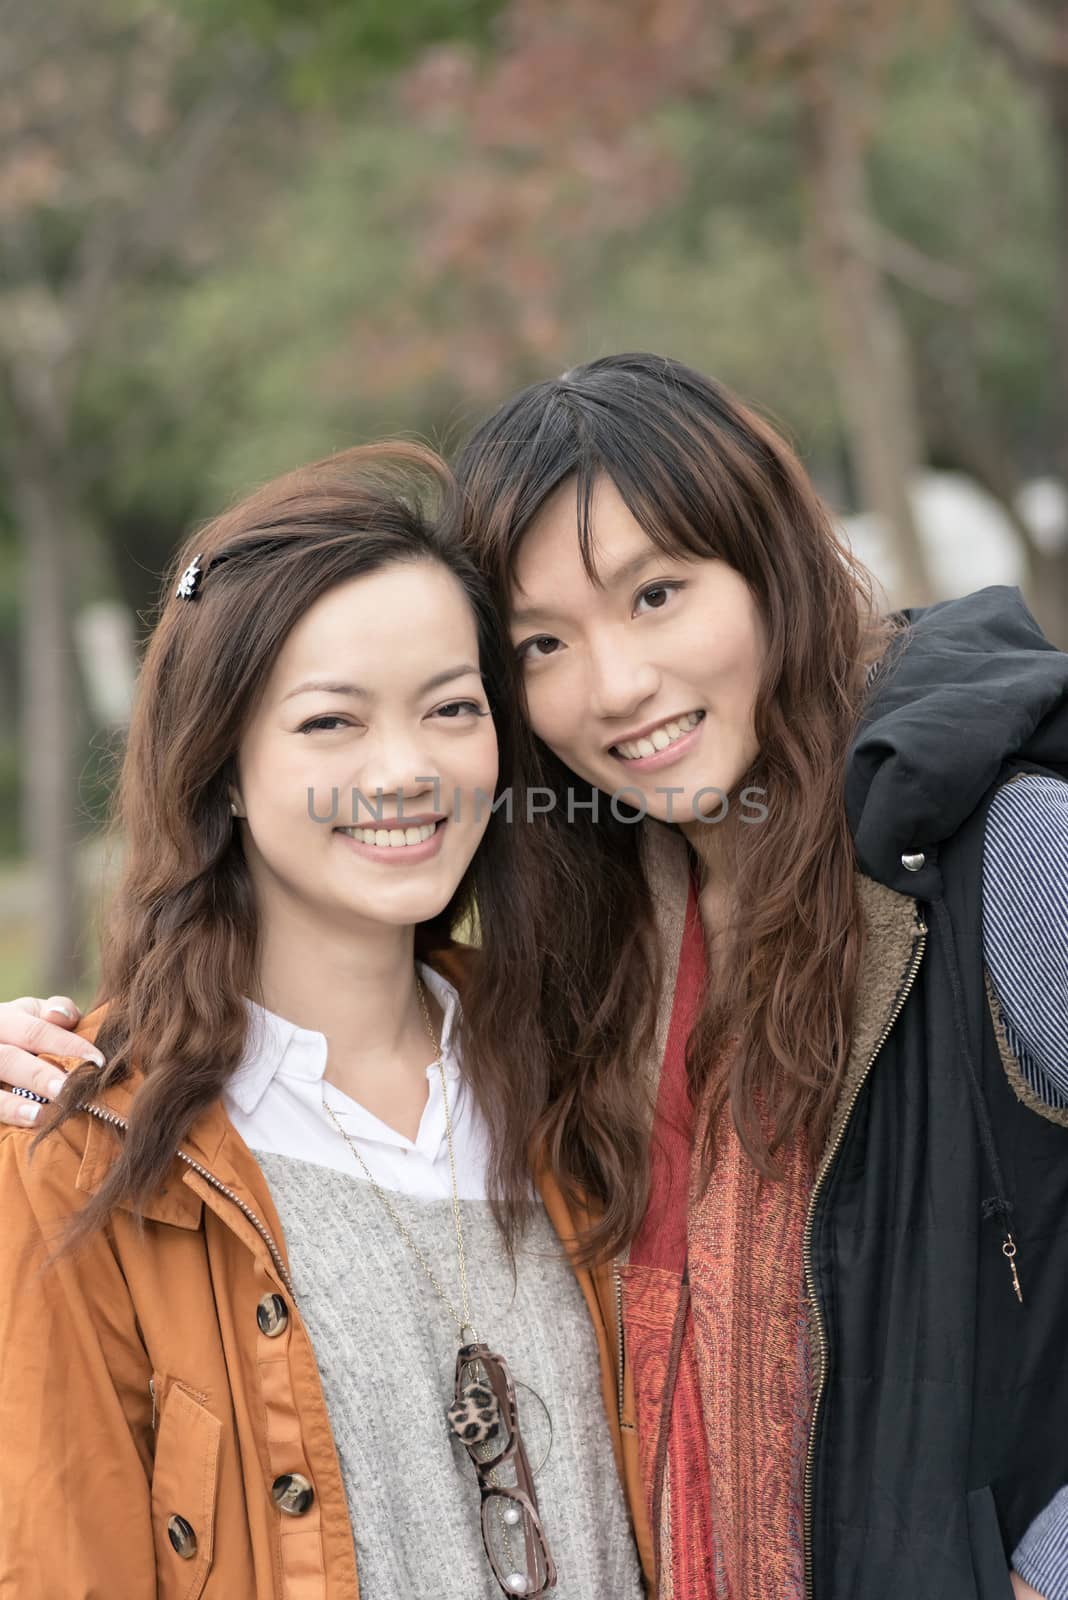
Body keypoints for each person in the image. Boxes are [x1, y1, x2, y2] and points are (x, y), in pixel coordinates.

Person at [6, 354, 1067, 1600]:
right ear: (218, 768)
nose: (616, 684)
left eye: (659, 593)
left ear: (772, 568)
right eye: (544, 645)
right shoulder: (590, 985)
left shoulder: (1005, 858)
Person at [0, 443, 644, 1600]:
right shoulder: (80, 1153)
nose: (405, 769)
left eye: (453, 708)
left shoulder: (586, 1079)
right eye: (331, 723)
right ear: (224, 766)